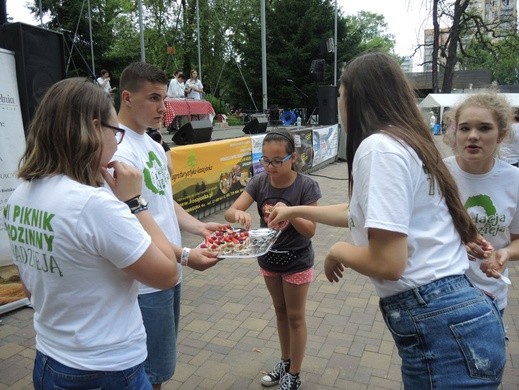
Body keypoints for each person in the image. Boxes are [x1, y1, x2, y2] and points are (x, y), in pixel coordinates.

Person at [268, 52, 506, 388]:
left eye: (340, 94)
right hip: (459, 317)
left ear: (355, 97)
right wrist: (293, 211)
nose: (339, 103)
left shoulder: (378, 148)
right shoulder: (407, 143)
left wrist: (338, 250)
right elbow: (358, 213)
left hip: (439, 322)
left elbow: (388, 262)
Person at [3, 77, 179, 389]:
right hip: (107, 367)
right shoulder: (94, 205)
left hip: (50, 359)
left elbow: (32, 289)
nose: (117, 143)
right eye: (116, 132)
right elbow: (167, 274)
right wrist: (136, 204)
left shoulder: (20, 196)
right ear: (95, 129)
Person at [115, 61, 222, 389]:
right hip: (145, 281)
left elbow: (162, 201)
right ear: (127, 97)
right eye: (153, 98)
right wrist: (185, 255)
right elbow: (129, 220)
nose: (164, 107)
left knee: (158, 368)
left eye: (164, 98)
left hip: (168, 268)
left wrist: (199, 228)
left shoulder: (152, 145)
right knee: (148, 373)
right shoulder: (117, 151)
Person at [224, 129, 321, 390]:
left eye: (278, 160)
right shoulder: (259, 182)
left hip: (297, 259)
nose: (270, 166)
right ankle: (285, 361)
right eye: (265, 160)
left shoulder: (306, 185)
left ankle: (295, 374)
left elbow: (310, 230)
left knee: (296, 317)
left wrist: (289, 213)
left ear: (293, 158)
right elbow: (230, 212)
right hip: (267, 258)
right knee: (280, 312)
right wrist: (239, 217)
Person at [443, 93, 519, 315]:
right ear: (455, 132)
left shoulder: (514, 180)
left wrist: (504, 254)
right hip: (443, 294)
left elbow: (518, 240)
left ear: (501, 135)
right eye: (465, 128)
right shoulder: (439, 173)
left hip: (490, 297)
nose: (473, 136)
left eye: (484, 128)